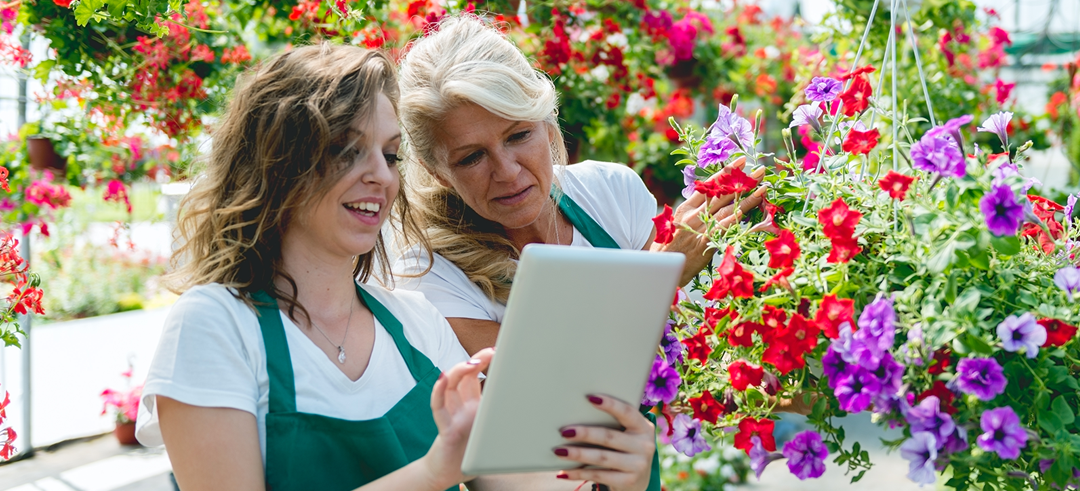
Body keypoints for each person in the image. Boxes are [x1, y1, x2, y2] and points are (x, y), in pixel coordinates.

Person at [133, 44, 643, 491]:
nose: (380, 175)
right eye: (348, 151)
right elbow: (446, 469)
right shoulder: (216, 326)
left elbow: (521, 484)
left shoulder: (419, 325)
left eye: (391, 154)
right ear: (277, 165)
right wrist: (432, 474)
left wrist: (620, 473)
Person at [392, 14, 767, 491]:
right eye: (471, 157)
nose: (507, 172)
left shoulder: (611, 192)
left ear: (547, 123)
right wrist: (658, 275)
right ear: (438, 171)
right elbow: (541, 412)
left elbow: (683, 351)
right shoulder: (427, 274)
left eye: (518, 135)